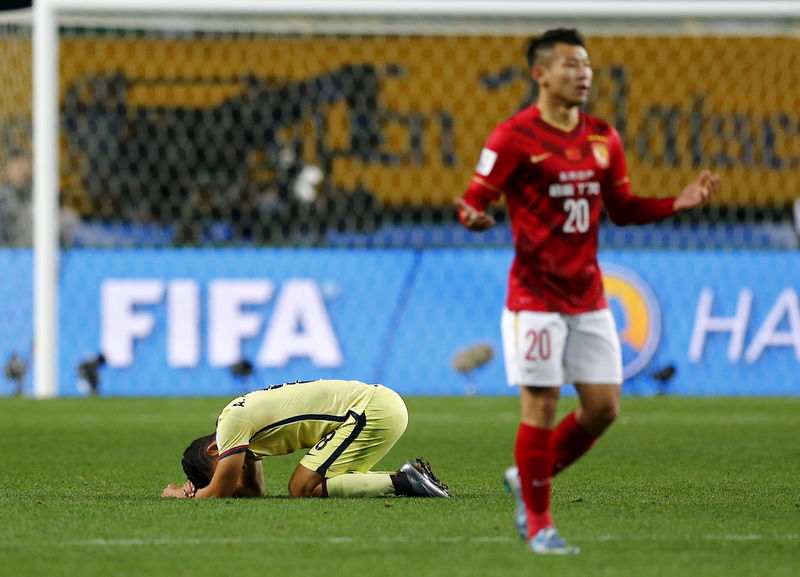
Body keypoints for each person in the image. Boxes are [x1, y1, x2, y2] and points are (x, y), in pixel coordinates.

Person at [456, 28, 719, 554]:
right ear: (540, 73)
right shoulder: (512, 137)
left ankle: (525, 479)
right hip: (534, 297)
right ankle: (540, 522)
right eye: (572, 65)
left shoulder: (603, 137)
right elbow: (471, 199)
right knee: (543, 404)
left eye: (587, 66)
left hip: (588, 294)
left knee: (603, 409)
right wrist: (475, 217)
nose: (584, 75)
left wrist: (677, 202)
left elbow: (621, 210)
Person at [161, 379, 450, 499]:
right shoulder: (242, 434)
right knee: (326, 485)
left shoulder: (230, 426)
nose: (235, 472)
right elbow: (253, 491)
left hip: (370, 410)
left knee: (302, 487)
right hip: (376, 406)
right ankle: (408, 479)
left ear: (215, 449)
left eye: (226, 469)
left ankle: (405, 480)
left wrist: (181, 494)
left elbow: (220, 491)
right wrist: (214, 488)